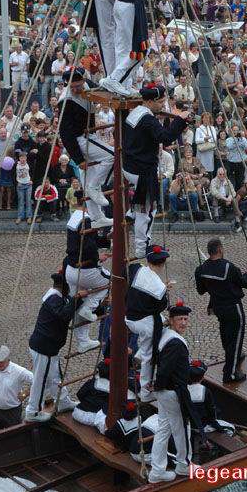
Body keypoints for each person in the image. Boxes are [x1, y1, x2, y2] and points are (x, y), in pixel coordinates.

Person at [123, 83, 190, 258]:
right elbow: (166, 138)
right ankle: (141, 247)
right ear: (150, 101)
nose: (163, 106)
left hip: (130, 165)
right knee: (147, 211)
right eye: (160, 102)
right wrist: (180, 120)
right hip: (143, 171)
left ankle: (132, 211)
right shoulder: (148, 119)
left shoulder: (135, 113)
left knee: (142, 207)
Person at [149, 302, 199, 483]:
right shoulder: (176, 343)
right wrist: (158, 385)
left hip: (165, 392)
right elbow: (165, 370)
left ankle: (157, 470)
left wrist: (157, 386)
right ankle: (184, 464)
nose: (184, 323)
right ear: (171, 320)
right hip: (173, 392)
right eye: (180, 319)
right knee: (182, 428)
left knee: (163, 429)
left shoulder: (165, 336)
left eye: (185, 319)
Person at [58, 67, 113, 228]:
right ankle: (95, 187)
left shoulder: (88, 84)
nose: (75, 89)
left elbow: (100, 90)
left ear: (83, 80)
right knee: (112, 156)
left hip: (87, 135)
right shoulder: (66, 101)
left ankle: (97, 218)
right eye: (72, 87)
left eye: (78, 86)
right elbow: (65, 133)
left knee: (88, 177)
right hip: (80, 139)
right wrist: (78, 159)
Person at [25, 272, 84, 422]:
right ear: (65, 287)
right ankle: (32, 411)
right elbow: (65, 315)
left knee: (55, 376)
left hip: (49, 348)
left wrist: (77, 300)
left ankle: (63, 401)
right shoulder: (54, 299)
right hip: (44, 349)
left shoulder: (56, 297)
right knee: (42, 380)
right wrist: (76, 299)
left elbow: (68, 307)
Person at [195, 237, 247, 384]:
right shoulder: (228, 267)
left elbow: (201, 290)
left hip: (217, 307)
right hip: (233, 307)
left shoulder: (201, 269)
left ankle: (234, 356)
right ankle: (230, 374)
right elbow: (246, 283)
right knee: (236, 338)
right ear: (220, 250)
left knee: (226, 334)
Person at [64, 189, 111, 353]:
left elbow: (90, 240)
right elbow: (89, 246)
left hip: (71, 269)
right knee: (110, 282)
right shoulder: (86, 219)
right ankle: (90, 307)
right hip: (85, 270)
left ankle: (83, 341)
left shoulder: (74, 216)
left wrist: (106, 239)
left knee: (78, 304)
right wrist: (98, 258)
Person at [126, 244, 171, 403]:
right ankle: (145, 392)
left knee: (164, 323)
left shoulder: (135, 268)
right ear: (163, 263)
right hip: (145, 323)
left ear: (147, 259)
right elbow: (161, 306)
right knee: (148, 357)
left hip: (129, 317)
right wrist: (165, 289)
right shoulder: (159, 287)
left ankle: (138, 355)